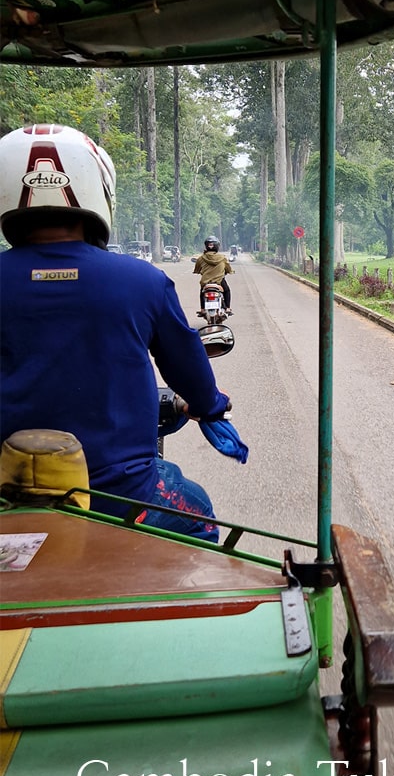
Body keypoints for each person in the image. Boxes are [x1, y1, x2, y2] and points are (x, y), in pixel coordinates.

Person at [0, 124, 230, 542]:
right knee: (198, 514)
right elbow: (189, 371)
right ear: (97, 191)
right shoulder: (141, 281)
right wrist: (210, 404)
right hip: (119, 496)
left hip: (6, 497)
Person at [194, 235, 233, 315]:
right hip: (219, 281)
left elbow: (197, 269)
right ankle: (228, 308)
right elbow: (228, 269)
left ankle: (202, 309)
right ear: (217, 246)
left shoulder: (201, 258)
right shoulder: (223, 258)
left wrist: (198, 271)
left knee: (202, 292)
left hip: (206, 282)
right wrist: (230, 271)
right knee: (227, 291)